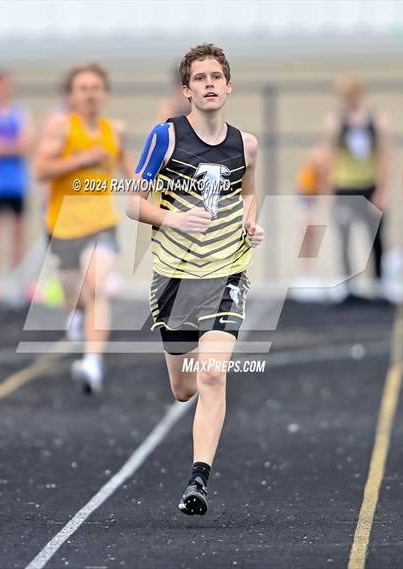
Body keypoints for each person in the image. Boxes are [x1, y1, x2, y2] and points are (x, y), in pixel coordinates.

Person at [126, 44, 264, 515]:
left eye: (216, 77)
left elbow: (248, 192)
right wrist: (171, 219)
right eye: (199, 78)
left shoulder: (246, 144)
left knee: (213, 373)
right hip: (175, 277)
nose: (209, 84)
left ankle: (198, 480)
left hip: (226, 270)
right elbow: (131, 202)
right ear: (187, 90)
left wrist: (250, 222)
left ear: (228, 86)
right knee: (183, 387)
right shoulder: (164, 138)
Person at [34, 63, 134, 393]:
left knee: (97, 287)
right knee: (76, 295)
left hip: (101, 224)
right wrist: (80, 159)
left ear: (104, 93)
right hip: (63, 227)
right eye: (83, 88)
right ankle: (76, 315)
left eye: (95, 87)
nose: (90, 93)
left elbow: (133, 172)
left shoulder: (114, 130)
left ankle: (92, 363)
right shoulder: (61, 127)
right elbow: (41, 170)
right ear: (73, 95)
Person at [323, 75, 392, 296]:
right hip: (345, 187)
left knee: (377, 236)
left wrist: (381, 190)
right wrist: (328, 192)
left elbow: (384, 155)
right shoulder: (336, 120)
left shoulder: (377, 119)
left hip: (369, 186)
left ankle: (380, 284)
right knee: (344, 236)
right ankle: (348, 286)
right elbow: (329, 156)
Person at [0, 70, 34, 298]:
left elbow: (27, 144)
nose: (3, 90)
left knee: (18, 232)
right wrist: (12, 147)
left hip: (17, 184)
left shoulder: (20, 113)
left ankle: (19, 279)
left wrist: (4, 147)